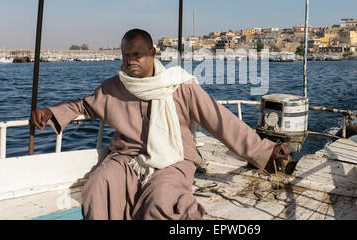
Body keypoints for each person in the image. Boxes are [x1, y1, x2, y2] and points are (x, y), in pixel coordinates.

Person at [31, 28, 289, 220]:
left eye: (137, 55)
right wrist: (50, 112)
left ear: (152, 54)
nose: (130, 60)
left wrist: (263, 150)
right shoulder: (113, 88)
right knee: (98, 185)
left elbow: (220, 120)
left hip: (174, 159)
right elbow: (84, 106)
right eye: (125, 55)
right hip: (127, 158)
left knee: (161, 200)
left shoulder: (179, 85)